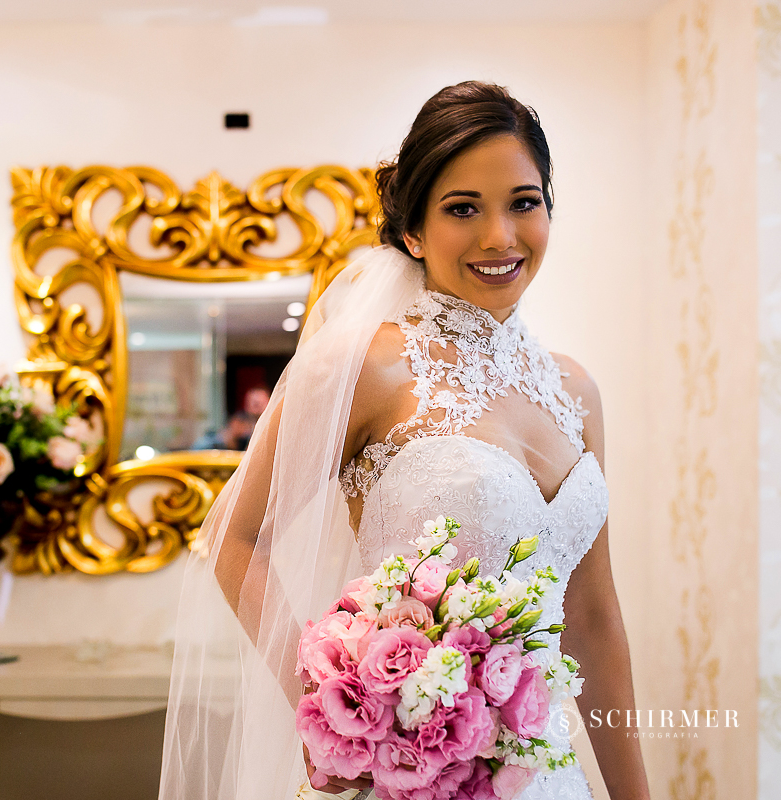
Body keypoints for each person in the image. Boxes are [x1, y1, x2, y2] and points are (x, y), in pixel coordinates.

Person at [159, 81, 651, 800]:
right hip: (408, 776)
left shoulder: (577, 391)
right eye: (462, 209)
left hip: (548, 779)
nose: (499, 238)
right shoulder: (363, 364)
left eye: (524, 202)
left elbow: (594, 616)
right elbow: (236, 538)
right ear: (413, 231)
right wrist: (335, 708)